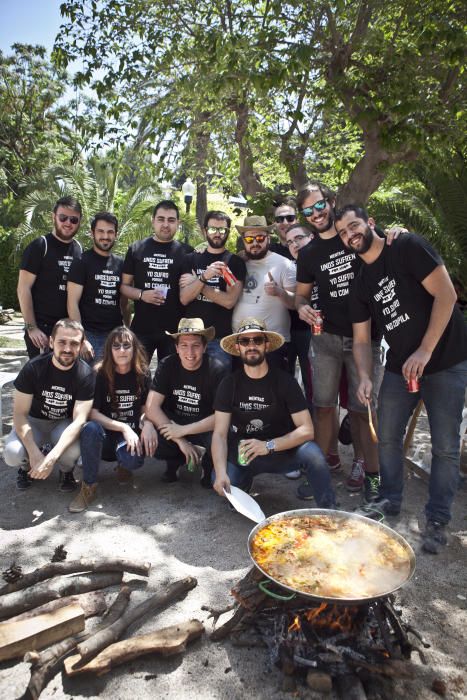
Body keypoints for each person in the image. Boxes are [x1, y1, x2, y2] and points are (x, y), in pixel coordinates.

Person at [334, 205, 467, 553]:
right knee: (387, 436)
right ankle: (389, 500)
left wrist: (424, 350)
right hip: (399, 366)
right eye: (344, 233)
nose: (351, 235)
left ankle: (437, 520)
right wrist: (364, 376)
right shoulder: (360, 283)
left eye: (354, 226)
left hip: (446, 360)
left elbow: (447, 294)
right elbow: (362, 340)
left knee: (446, 447)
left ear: (370, 223)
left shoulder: (406, 247)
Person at [295, 181, 383, 501]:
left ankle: (369, 472)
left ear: (331, 202)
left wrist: (397, 233)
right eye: (308, 211)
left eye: (320, 206)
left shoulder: (354, 231)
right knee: (323, 407)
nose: (316, 214)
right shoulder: (307, 253)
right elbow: (301, 296)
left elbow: (386, 247)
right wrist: (303, 308)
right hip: (327, 339)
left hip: (366, 336)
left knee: (363, 409)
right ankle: (320, 474)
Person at [211, 317, 336, 508]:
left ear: (266, 345)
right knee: (222, 479)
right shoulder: (229, 384)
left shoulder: (285, 381)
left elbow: (307, 430)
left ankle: (330, 511)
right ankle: (243, 483)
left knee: (314, 455)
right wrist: (220, 473)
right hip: (246, 455)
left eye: (257, 340)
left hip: (282, 451)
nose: (251, 346)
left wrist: (268, 445)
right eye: (244, 341)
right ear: (238, 348)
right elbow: (219, 434)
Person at [69, 327, 157, 513]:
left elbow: (145, 408)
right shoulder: (99, 374)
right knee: (90, 428)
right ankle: (89, 486)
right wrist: (124, 427)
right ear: (109, 350)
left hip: (130, 436)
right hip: (104, 435)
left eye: (127, 345)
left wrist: (148, 422)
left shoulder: (143, 373)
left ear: (135, 348)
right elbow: (92, 413)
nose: (122, 350)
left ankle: (124, 465)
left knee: (133, 461)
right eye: (116, 346)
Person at [3, 319, 94, 491]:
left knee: (74, 449)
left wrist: (52, 457)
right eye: (62, 342)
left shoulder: (86, 375)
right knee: (12, 453)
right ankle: (27, 467)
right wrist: (33, 452)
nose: (67, 349)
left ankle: (66, 471)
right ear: (51, 342)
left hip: (62, 423)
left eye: (74, 343)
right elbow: (19, 414)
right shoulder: (33, 368)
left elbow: (78, 421)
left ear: (81, 345)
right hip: (33, 422)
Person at [145, 318, 226, 486]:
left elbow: (221, 417)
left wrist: (182, 430)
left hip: (204, 425)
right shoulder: (167, 364)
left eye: (195, 345)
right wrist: (180, 440)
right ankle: (175, 461)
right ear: (176, 348)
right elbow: (152, 407)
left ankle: (208, 464)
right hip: (174, 421)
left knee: (222, 436)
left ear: (204, 347)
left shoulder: (217, 369)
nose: (190, 351)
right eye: (184, 345)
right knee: (151, 437)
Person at [121, 200, 193, 363]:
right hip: (142, 328)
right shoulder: (136, 248)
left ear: (178, 223)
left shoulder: (187, 252)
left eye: (171, 220)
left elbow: (192, 287)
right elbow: (124, 287)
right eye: (161, 219)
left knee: (169, 382)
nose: (165, 225)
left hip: (174, 332)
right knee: (137, 378)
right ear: (153, 221)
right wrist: (141, 294)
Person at [179, 210, 246, 371]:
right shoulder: (191, 259)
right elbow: (184, 298)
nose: (217, 233)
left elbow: (229, 301)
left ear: (228, 232)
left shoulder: (234, 262)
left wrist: (199, 282)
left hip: (220, 338)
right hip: (192, 337)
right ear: (204, 231)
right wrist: (203, 278)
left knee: (219, 384)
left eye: (222, 230)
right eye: (212, 229)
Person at [17, 196, 83, 358]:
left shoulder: (78, 249)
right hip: (41, 330)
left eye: (74, 220)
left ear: (80, 222)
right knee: (42, 380)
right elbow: (23, 288)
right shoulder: (40, 246)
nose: (68, 223)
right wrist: (31, 327)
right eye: (63, 217)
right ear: (54, 217)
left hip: (67, 330)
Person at [232, 216, 296, 370]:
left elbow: (296, 303)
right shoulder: (237, 262)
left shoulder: (284, 264)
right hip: (240, 343)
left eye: (260, 238)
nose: (255, 243)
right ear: (243, 240)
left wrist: (279, 291)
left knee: (274, 391)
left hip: (272, 344)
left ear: (268, 238)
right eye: (249, 239)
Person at [67, 212, 129, 363]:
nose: (105, 236)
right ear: (92, 233)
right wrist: (81, 339)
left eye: (110, 232)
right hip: (89, 334)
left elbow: (124, 303)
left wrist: (127, 329)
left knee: (112, 383)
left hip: (115, 334)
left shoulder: (121, 264)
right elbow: (72, 302)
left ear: (116, 234)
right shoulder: (81, 262)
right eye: (100, 231)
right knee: (89, 383)